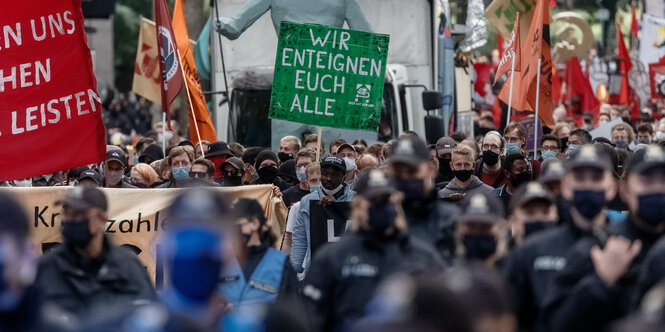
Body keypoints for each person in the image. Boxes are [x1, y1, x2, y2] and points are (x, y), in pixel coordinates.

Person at [540, 144, 665, 331]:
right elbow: (555, 324)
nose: (657, 189)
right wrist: (601, 281)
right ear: (624, 190)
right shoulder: (598, 246)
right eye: (647, 181)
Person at [302, 169, 444, 331]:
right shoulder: (332, 258)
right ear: (357, 206)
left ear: (398, 202)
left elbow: (443, 315)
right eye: (374, 201)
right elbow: (311, 318)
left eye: (386, 200)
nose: (381, 206)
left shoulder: (422, 255)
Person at [504, 145, 617, 331]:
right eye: (579, 178)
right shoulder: (531, 250)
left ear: (612, 186)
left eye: (596, 178)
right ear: (564, 186)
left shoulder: (628, 246)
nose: (588, 185)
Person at [33, 185, 156, 317]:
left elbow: (148, 316)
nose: (70, 220)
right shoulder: (47, 266)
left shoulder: (128, 265)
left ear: (102, 219)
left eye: (79, 214)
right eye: (67, 214)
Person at [388, 135, 460, 262]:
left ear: (431, 169)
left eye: (412, 171)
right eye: (398, 173)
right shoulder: (378, 219)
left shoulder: (451, 221)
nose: (405, 178)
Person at [219, 199, 299, 309]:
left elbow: (293, 312)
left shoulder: (282, 264)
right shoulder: (222, 262)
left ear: (255, 224)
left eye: (238, 225)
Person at [291, 156, 354, 275]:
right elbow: (300, 238)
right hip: (317, 269)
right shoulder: (307, 201)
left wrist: (337, 208)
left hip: (347, 269)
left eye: (334, 174)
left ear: (344, 177)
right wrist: (295, 269)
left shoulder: (357, 200)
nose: (329, 179)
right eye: (325, 174)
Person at [456, 191, 507, 266]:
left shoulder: (513, 270)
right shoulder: (447, 270)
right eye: (471, 226)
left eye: (485, 226)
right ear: (460, 228)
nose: (477, 232)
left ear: (501, 228)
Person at [283, 163, 321, 258]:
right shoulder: (297, 207)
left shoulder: (334, 205)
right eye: (313, 181)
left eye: (321, 180)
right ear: (307, 183)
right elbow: (289, 241)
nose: (318, 184)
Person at [507, 182, 558, 246]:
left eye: (545, 212)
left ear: (556, 217)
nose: (539, 218)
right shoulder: (504, 255)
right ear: (512, 221)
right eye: (530, 213)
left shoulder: (569, 252)